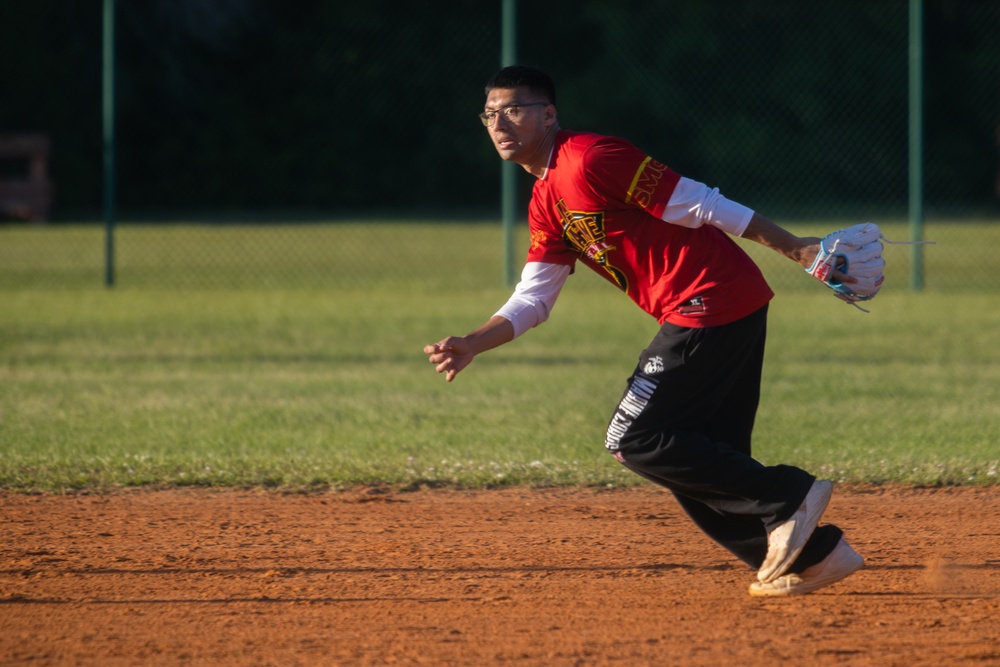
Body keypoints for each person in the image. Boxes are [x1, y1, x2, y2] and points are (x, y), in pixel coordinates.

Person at [423, 65, 864, 596]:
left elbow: (703, 203)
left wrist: (794, 247)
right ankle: (813, 558)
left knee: (634, 438)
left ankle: (788, 497)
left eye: (515, 108)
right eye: (490, 113)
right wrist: (473, 342)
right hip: (722, 304)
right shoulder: (545, 200)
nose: (500, 122)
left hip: (709, 300)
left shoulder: (591, 157)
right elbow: (534, 297)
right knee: (698, 453)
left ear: (549, 114)